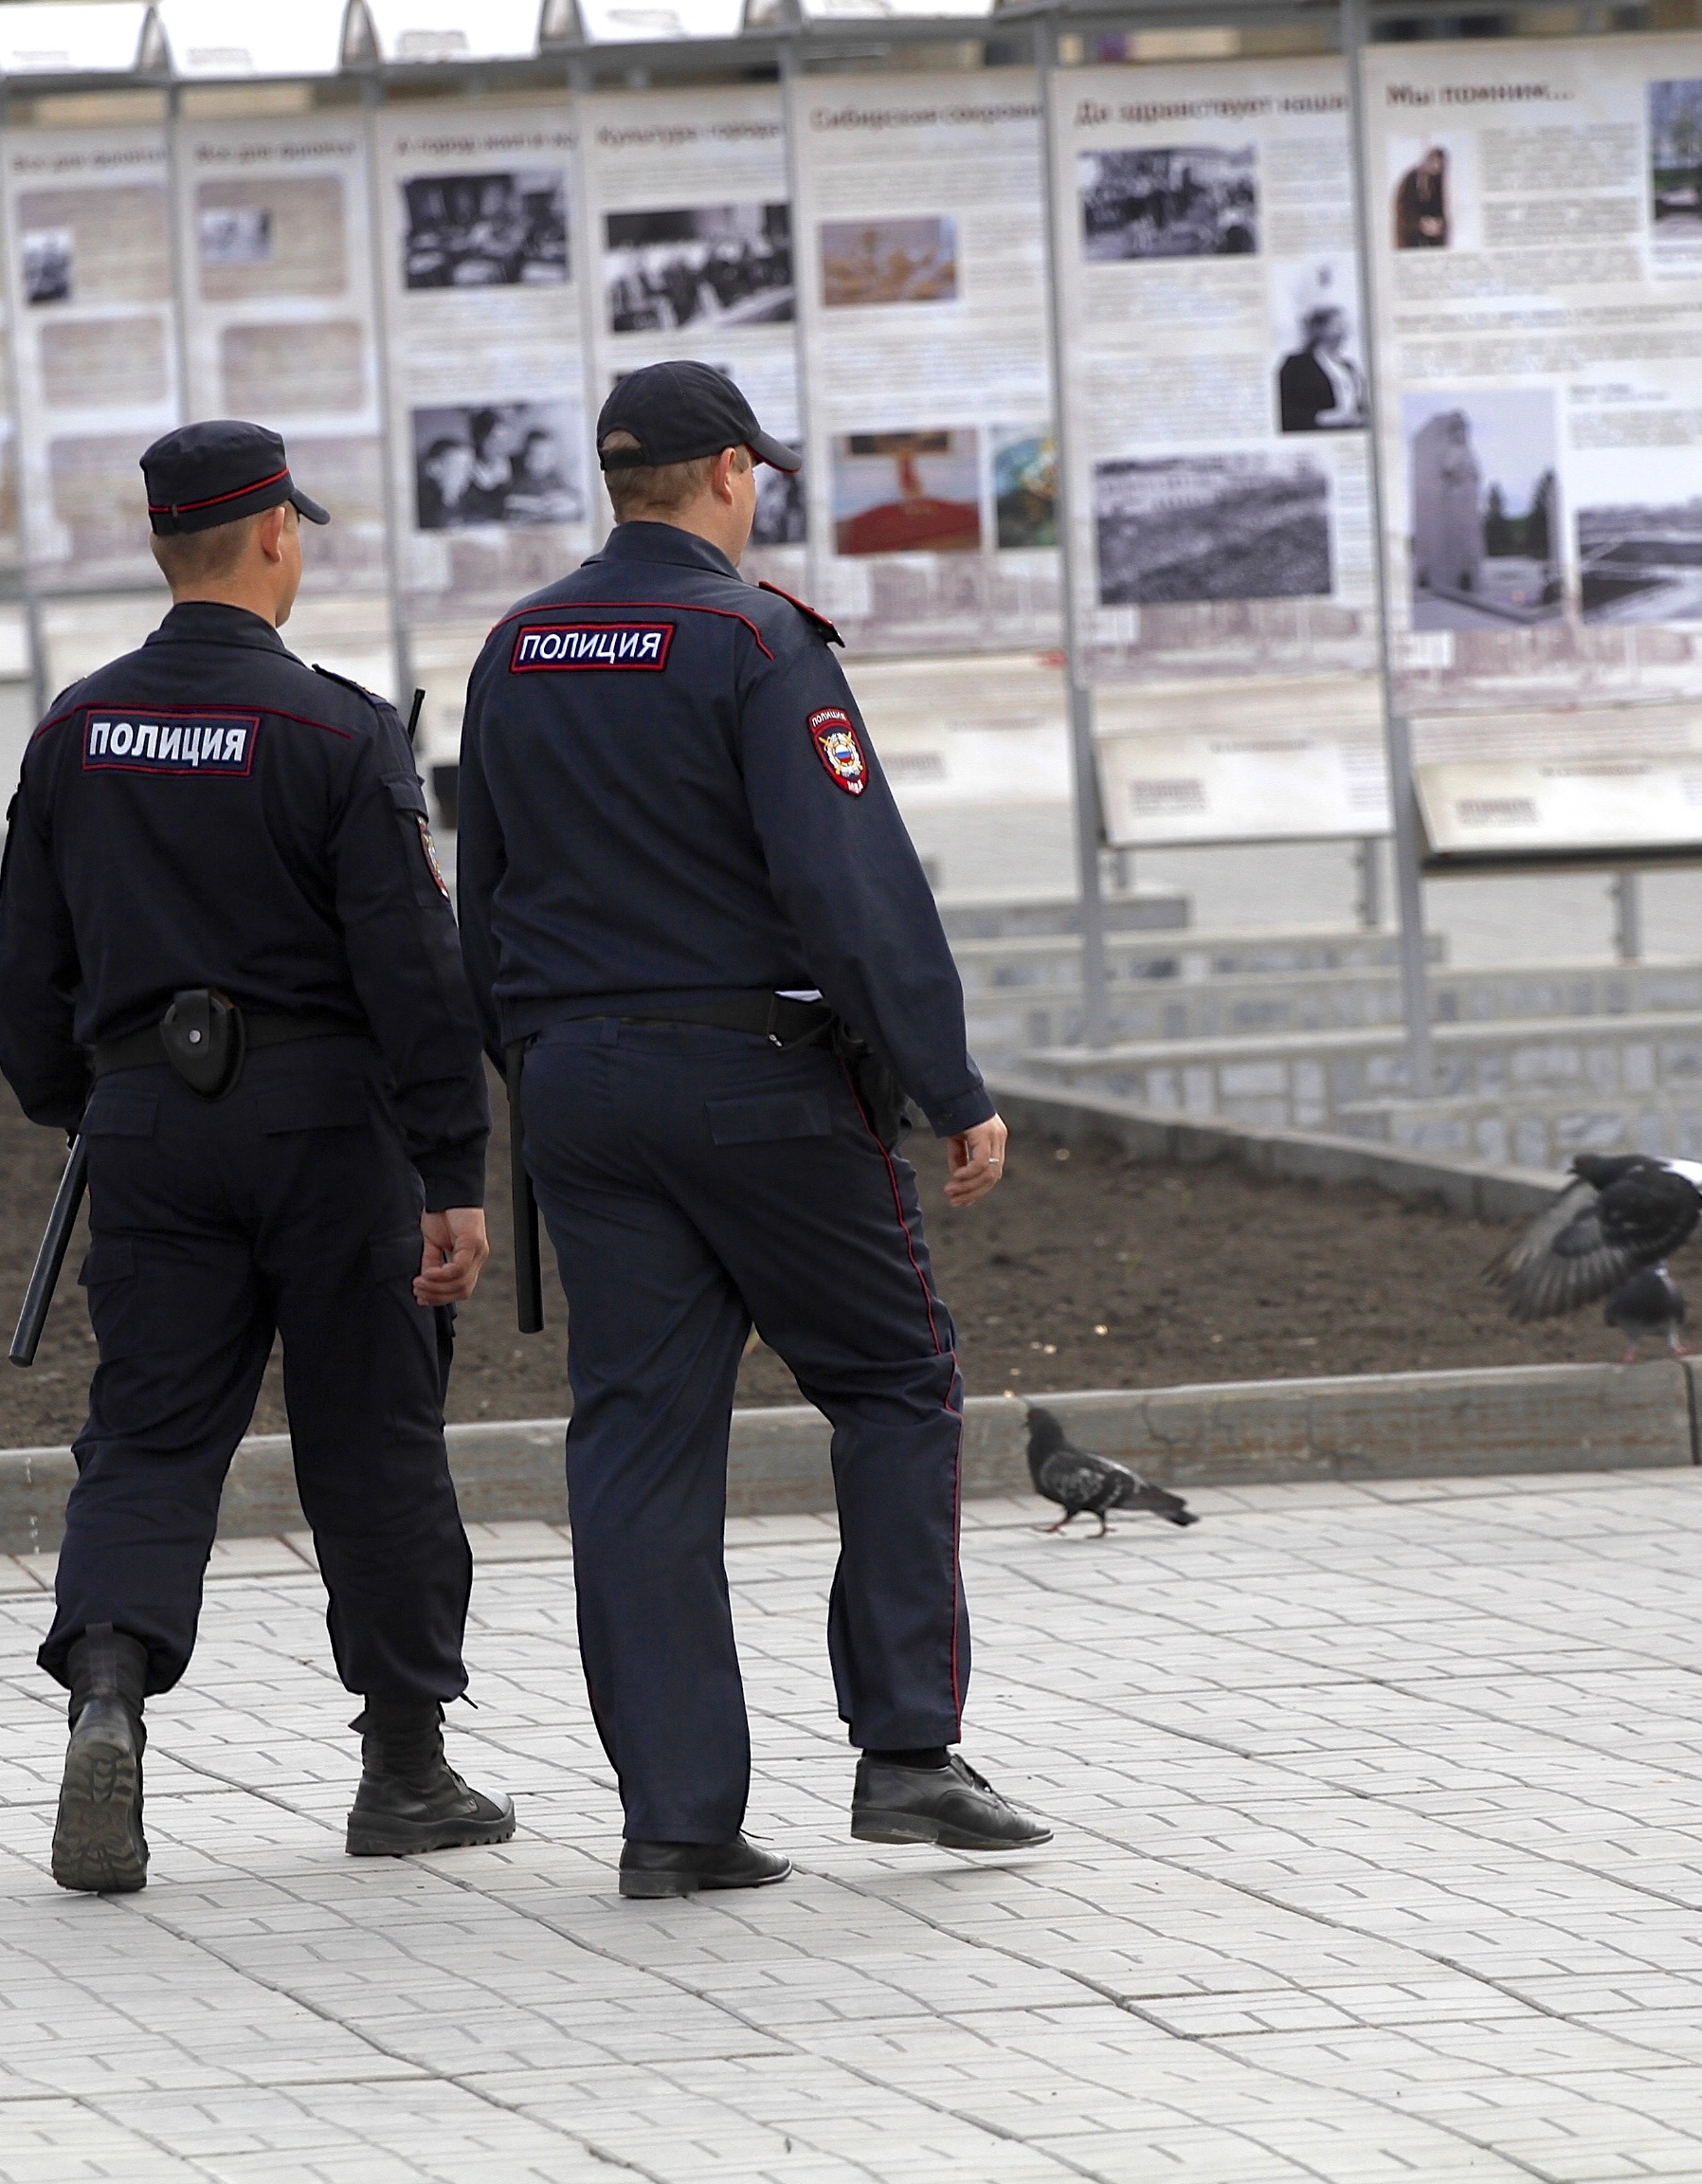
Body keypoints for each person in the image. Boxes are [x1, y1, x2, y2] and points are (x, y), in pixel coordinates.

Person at [454, 361, 1051, 1902]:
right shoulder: (755, 639)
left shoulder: (517, 648)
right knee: (894, 1375)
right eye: (758, 471)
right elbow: (849, 885)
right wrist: (948, 1077)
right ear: (728, 472)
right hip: (760, 1085)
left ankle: (678, 1815)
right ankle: (909, 1746)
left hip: (579, 1088)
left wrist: (530, 1059)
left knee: (641, 1439)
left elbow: (483, 899)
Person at [0, 418, 509, 1896]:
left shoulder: (75, 731)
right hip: (329, 1137)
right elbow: (416, 970)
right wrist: (452, 1166)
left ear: (166, 546)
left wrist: (89, 1108)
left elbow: (24, 979)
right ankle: (403, 1770)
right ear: (275, 534)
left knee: (150, 1436)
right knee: (376, 1442)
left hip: (147, 1124)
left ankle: (107, 1696)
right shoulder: (342, 734)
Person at [1276, 305, 1362, 434]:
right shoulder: (1296, 364)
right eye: (1338, 325)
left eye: (1345, 326)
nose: (1344, 332)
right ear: (1320, 329)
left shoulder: (1348, 366)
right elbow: (1285, 412)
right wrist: (1321, 418)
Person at [1394, 147, 1449, 248]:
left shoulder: (1436, 182)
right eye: (1433, 162)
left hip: (1430, 236)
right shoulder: (1411, 178)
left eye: (1439, 165)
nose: (1436, 167)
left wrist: (1437, 224)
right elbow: (1403, 209)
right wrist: (1420, 224)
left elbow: (1437, 207)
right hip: (1411, 234)